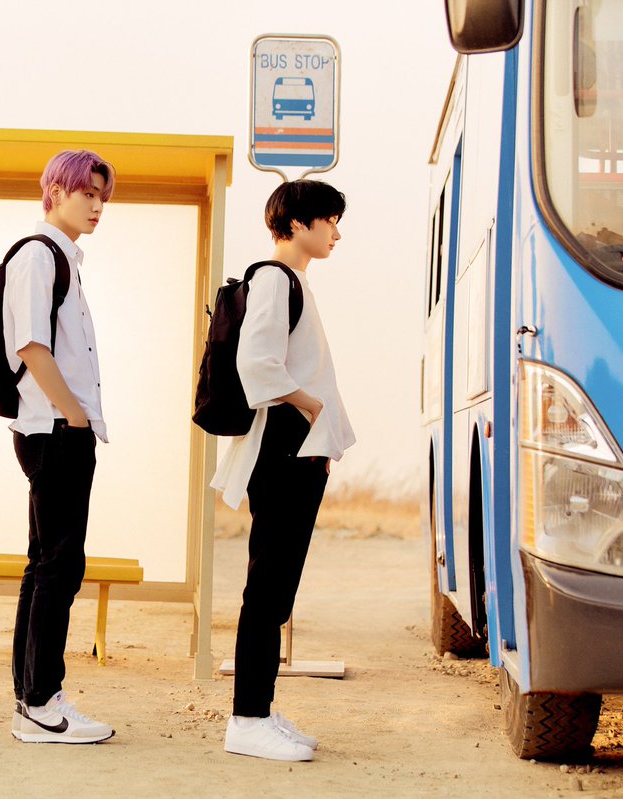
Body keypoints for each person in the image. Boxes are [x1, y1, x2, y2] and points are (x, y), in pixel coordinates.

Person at [211, 179, 356, 761]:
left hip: (296, 447)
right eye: (329, 221)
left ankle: (261, 710)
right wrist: (311, 406)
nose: (337, 233)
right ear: (297, 223)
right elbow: (257, 364)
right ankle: (246, 720)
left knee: (277, 589)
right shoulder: (275, 279)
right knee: (268, 587)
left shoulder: (292, 281)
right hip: (282, 447)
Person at [3, 150, 117, 744]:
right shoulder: (39, 255)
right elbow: (30, 345)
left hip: (59, 429)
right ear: (55, 192)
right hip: (54, 430)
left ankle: (32, 698)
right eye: (86, 194)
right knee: (59, 567)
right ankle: (42, 703)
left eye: (101, 196)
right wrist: (73, 414)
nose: (97, 206)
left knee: (46, 564)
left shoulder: (63, 258)